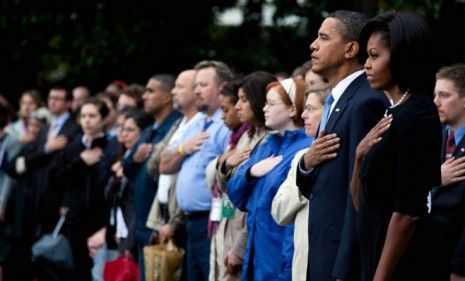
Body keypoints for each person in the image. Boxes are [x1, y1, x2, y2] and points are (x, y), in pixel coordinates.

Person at [350, 10, 445, 281]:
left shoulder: (418, 113)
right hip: (376, 253)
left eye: (374, 55)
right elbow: (361, 203)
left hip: (406, 262)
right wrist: (358, 157)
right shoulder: (392, 112)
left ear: (403, 56)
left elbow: (408, 213)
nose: (366, 64)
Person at [295, 10, 389, 281]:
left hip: (341, 259)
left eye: (323, 38)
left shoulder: (365, 102)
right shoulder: (337, 99)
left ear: (351, 49)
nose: (313, 45)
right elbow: (315, 184)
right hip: (324, 249)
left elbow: (359, 191)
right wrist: (306, 163)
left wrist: (345, 266)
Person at [228, 77, 310, 281]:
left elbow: (292, 220)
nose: (264, 108)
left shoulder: (305, 149)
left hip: (277, 262)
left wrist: (285, 272)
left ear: (292, 109)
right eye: (265, 102)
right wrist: (250, 172)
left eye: (271, 104)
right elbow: (236, 196)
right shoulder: (267, 144)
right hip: (256, 259)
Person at [159, 61, 232, 281]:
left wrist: (225, 226)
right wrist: (183, 148)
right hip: (189, 223)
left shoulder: (227, 125)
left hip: (213, 221)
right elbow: (164, 164)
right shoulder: (197, 122)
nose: (196, 90)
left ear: (222, 87)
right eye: (196, 85)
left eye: (203, 85)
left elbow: (229, 182)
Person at [208, 71, 277, 281]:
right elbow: (225, 188)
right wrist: (226, 164)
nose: (238, 106)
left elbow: (259, 202)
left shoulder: (269, 140)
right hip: (229, 226)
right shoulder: (247, 135)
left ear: (258, 101)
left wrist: (240, 246)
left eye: (244, 100)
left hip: (245, 236)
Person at [122, 74, 181, 281]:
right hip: (141, 221)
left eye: (150, 91)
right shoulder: (148, 131)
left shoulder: (175, 128)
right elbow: (127, 170)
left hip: (158, 221)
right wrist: (135, 160)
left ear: (167, 97)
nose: (144, 96)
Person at [54, 98, 119, 281]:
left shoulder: (111, 146)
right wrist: (80, 163)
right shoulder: (73, 148)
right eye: (83, 116)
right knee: (78, 271)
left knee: (101, 272)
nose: (87, 120)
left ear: (104, 119)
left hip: (102, 221)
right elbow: (57, 181)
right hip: (76, 220)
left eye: (92, 116)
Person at [272, 83, 330, 281]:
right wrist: (306, 170)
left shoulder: (346, 154)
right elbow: (278, 211)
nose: (303, 115)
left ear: (330, 110)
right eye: (304, 109)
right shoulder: (301, 156)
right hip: (300, 269)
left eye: (311, 109)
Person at [431, 63, 465, 280]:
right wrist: (434, 180)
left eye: (444, 95)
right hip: (428, 258)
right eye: (435, 94)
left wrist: (460, 268)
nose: (435, 102)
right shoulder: (435, 138)